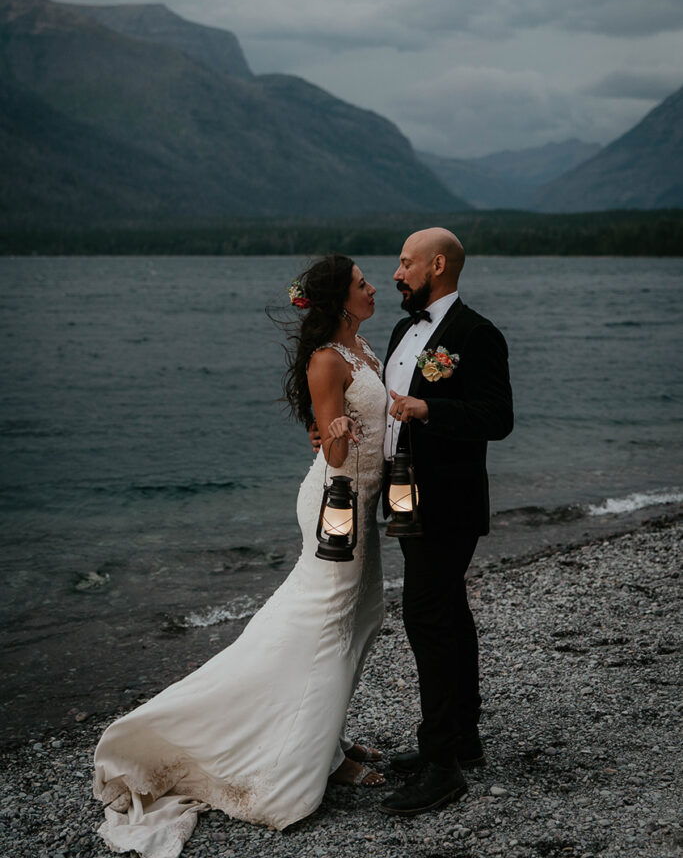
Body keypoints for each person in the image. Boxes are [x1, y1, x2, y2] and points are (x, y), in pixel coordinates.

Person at [93, 254, 388, 856]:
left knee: (366, 615)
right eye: (362, 283)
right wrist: (334, 432)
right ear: (338, 299)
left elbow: (373, 419)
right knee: (326, 630)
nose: (373, 287)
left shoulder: (363, 351)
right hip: (337, 506)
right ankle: (310, 761)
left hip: (366, 504)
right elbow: (333, 452)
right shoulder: (327, 360)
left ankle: (328, 740)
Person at [378, 227, 514, 816]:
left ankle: (441, 767)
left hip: (450, 503)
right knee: (448, 613)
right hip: (407, 497)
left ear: (437, 265)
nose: (395, 273)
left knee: (427, 619)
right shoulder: (402, 330)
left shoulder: (476, 333)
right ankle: (463, 736)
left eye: (405, 263)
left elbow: (497, 417)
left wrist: (431, 407)